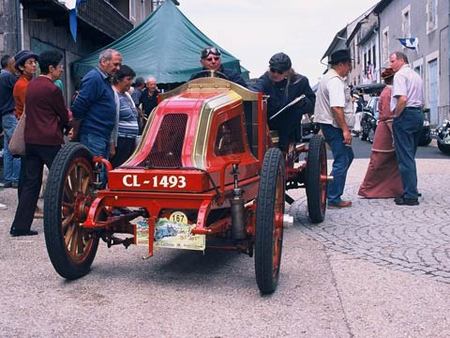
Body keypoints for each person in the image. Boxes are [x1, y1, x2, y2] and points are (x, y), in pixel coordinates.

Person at [10, 50, 69, 236]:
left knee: (30, 183)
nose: (61, 70)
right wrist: (68, 125)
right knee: (63, 178)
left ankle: (20, 226)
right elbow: (63, 114)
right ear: (51, 68)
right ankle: (74, 215)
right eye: (59, 67)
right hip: (49, 139)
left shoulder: (32, 85)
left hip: (31, 140)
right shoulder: (52, 89)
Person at [250, 52, 315, 150]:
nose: (275, 74)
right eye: (273, 70)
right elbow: (256, 88)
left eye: (279, 72)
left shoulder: (300, 82)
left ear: (287, 71)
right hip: (270, 120)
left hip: (289, 124)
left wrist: (303, 103)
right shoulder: (266, 80)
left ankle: (285, 146)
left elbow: (312, 102)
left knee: (294, 112)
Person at [314, 49, 354, 208]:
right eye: (349, 65)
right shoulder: (335, 81)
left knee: (347, 156)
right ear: (342, 64)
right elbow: (337, 107)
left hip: (328, 124)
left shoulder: (327, 78)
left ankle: (330, 190)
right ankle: (333, 197)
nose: (349, 69)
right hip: (333, 125)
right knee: (342, 159)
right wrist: (345, 130)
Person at [358, 68, 403, 198]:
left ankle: (390, 189)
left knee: (387, 161)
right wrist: (394, 135)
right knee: (379, 161)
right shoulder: (389, 92)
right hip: (386, 131)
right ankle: (369, 189)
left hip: (384, 128)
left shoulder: (386, 91)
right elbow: (389, 116)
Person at [71, 48, 122, 160]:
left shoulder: (104, 80)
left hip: (101, 135)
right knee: (96, 172)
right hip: (93, 135)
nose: (118, 68)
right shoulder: (94, 78)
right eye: (115, 64)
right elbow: (79, 107)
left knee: (100, 172)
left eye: (119, 65)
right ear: (104, 62)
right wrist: (76, 129)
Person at [389, 51, 424, 206]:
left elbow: (402, 98)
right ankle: (412, 189)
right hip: (418, 114)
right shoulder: (416, 75)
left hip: (406, 114)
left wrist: (397, 115)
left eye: (392, 61)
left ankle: (410, 196)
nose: (391, 65)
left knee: (405, 157)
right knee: (410, 155)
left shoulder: (400, 75)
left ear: (401, 60)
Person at [111, 65, 139, 168]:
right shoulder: (113, 95)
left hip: (130, 140)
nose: (131, 82)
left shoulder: (126, 95)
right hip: (121, 140)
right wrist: (112, 143)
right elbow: (112, 121)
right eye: (128, 79)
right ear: (118, 79)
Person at [0, 54, 19, 189]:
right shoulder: (7, 76)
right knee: (17, 148)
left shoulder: (3, 76)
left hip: (6, 116)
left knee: (8, 149)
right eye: (14, 63)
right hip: (11, 115)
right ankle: (16, 179)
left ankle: (8, 178)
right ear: (8, 64)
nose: (16, 65)